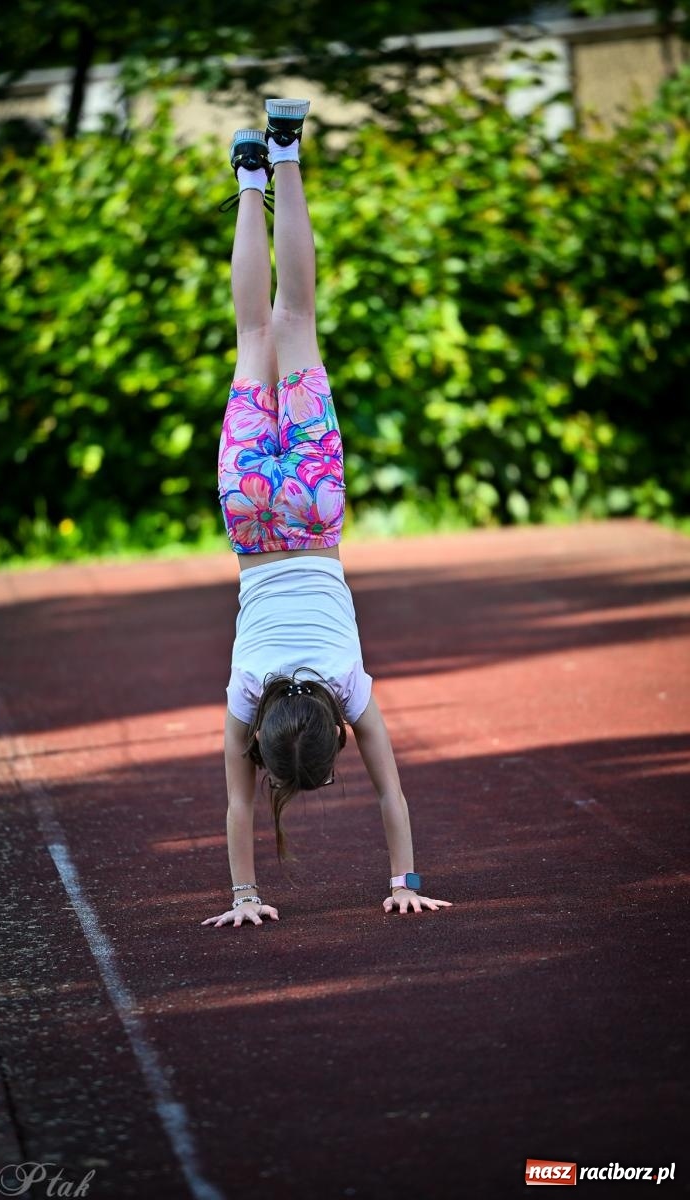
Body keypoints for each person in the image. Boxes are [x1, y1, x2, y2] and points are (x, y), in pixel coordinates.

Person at [202, 99, 452, 929]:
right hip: (249, 516)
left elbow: (393, 788)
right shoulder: (244, 694)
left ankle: (284, 152)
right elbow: (237, 811)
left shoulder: (348, 687)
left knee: (293, 319)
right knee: (252, 329)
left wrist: (403, 878)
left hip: (311, 515)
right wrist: (242, 895)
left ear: (333, 731)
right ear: (267, 732)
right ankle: (247, 177)